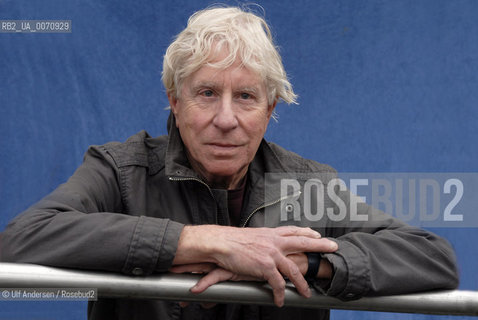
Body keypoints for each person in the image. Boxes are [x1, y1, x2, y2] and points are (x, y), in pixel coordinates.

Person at [0, 6, 458, 320]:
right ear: (174, 101)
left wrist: (304, 261)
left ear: (270, 109)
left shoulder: (309, 187)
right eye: (206, 93)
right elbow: (22, 240)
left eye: (245, 97)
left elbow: (431, 258)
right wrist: (202, 241)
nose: (226, 119)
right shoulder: (121, 171)